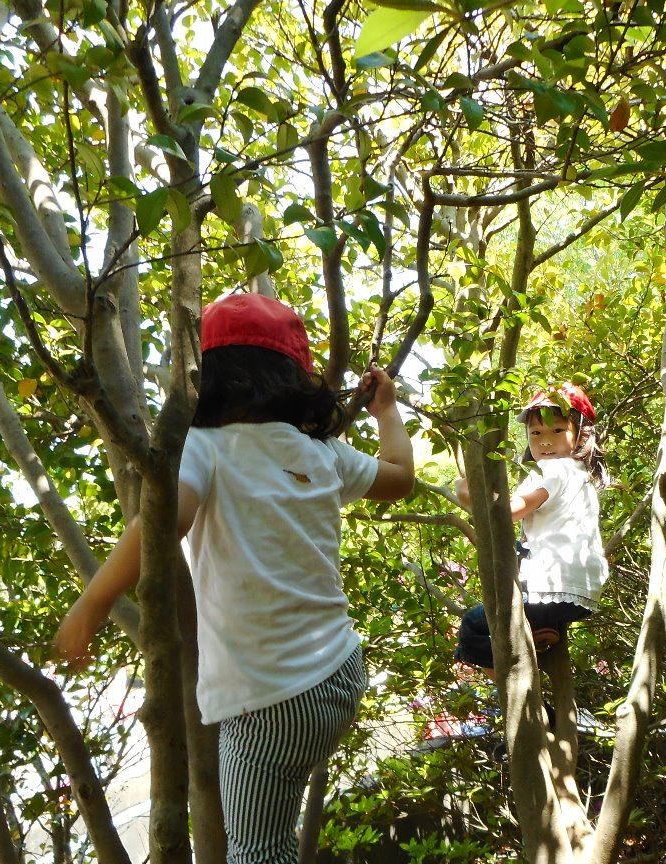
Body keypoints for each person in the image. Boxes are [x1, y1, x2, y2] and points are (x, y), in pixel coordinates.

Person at [55, 292, 415, 864]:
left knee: (256, 851)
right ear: (295, 377)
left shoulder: (205, 446)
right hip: (340, 672)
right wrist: (386, 411)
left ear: (205, 378)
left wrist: (94, 600)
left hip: (270, 700)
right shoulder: (320, 451)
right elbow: (400, 477)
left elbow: (165, 517)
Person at [453, 382, 609, 678]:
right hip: (581, 594)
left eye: (557, 431)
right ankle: (540, 631)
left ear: (580, 435)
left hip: (549, 588)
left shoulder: (551, 469)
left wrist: (469, 494)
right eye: (536, 433)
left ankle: (514, 677)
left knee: (474, 626)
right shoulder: (583, 476)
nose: (545, 442)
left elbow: (509, 511)